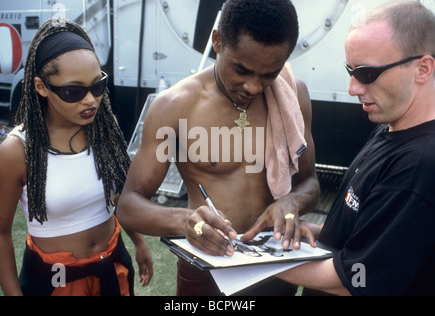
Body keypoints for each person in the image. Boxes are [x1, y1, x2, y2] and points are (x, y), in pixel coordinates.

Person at [118, 0, 319, 296]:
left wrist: (292, 203)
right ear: (217, 42)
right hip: (207, 270)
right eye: (241, 69)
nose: (253, 86)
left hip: (275, 268)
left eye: (268, 74)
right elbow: (129, 205)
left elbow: (310, 183)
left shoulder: (293, 94)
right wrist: (185, 220)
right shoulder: (175, 107)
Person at [276, 1, 435, 296]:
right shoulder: (392, 126)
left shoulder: (418, 166)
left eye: (366, 73)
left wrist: (249, 261)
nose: (352, 87)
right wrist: (319, 232)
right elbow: (375, 235)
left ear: (423, 69)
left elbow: (357, 278)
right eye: (350, 70)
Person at [0, 19, 153, 296]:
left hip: (113, 265)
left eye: (97, 86)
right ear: (41, 87)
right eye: (74, 91)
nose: (90, 100)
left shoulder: (103, 129)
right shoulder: (17, 151)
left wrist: (139, 243)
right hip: (55, 280)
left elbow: (118, 197)